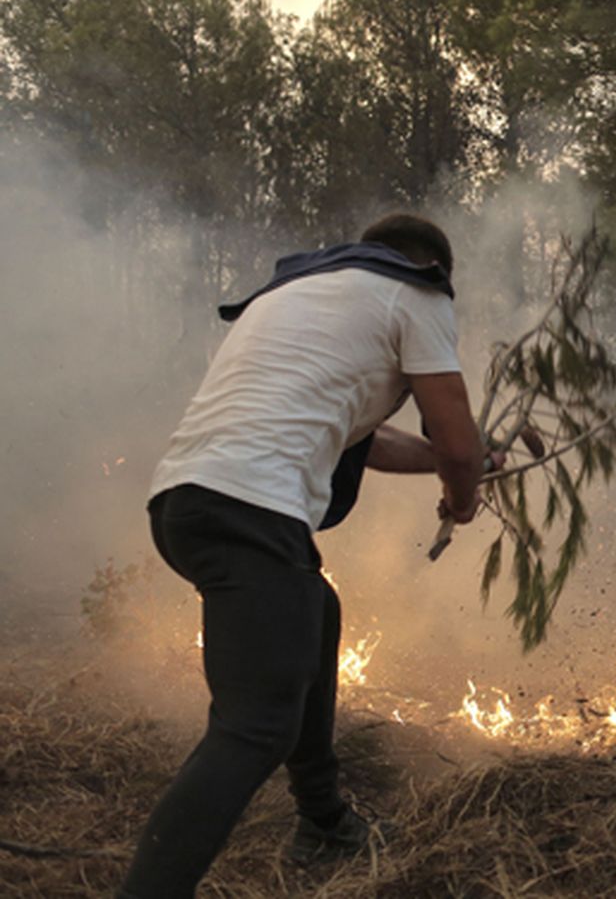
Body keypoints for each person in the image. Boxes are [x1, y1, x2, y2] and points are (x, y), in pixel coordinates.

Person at [121, 213, 494, 897]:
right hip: (252, 511)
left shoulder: (297, 296)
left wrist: (461, 463)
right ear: (430, 268)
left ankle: (323, 820)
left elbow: (372, 443)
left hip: (183, 505)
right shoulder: (418, 294)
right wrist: (464, 491)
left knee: (315, 608)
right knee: (255, 727)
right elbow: (457, 443)